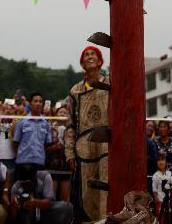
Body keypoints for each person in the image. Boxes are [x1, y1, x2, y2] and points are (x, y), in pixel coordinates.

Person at [65, 46, 109, 222]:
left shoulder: (110, 84)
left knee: (106, 190)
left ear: (99, 61)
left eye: (93, 54)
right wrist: (69, 153)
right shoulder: (75, 90)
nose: (90, 57)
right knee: (85, 195)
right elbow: (70, 124)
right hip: (83, 149)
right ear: (82, 63)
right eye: (86, 55)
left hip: (106, 146)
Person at [12, 92, 54, 182]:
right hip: (23, 161)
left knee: (38, 191)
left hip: (39, 162)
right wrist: (19, 156)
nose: (38, 104)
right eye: (35, 101)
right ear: (30, 104)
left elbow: (47, 144)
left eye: (40, 101)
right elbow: (15, 142)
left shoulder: (46, 123)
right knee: (22, 192)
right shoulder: (22, 121)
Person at [0, 100, 17, 183]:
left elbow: (14, 132)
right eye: (5, 109)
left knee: (8, 185)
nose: (7, 111)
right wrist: (1, 114)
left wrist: (14, 114)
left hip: (10, 158)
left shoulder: (13, 124)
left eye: (10, 109)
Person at [151, 152, 172, 223]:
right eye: (159, 160)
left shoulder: (169, 173)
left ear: (166, 162)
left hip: (168, 200)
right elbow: (154, 189)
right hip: (160, 200)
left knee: (168, 217)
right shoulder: (155, 175)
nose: (160, 162)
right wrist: (156, 198)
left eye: (162, 160)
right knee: (161, 217)